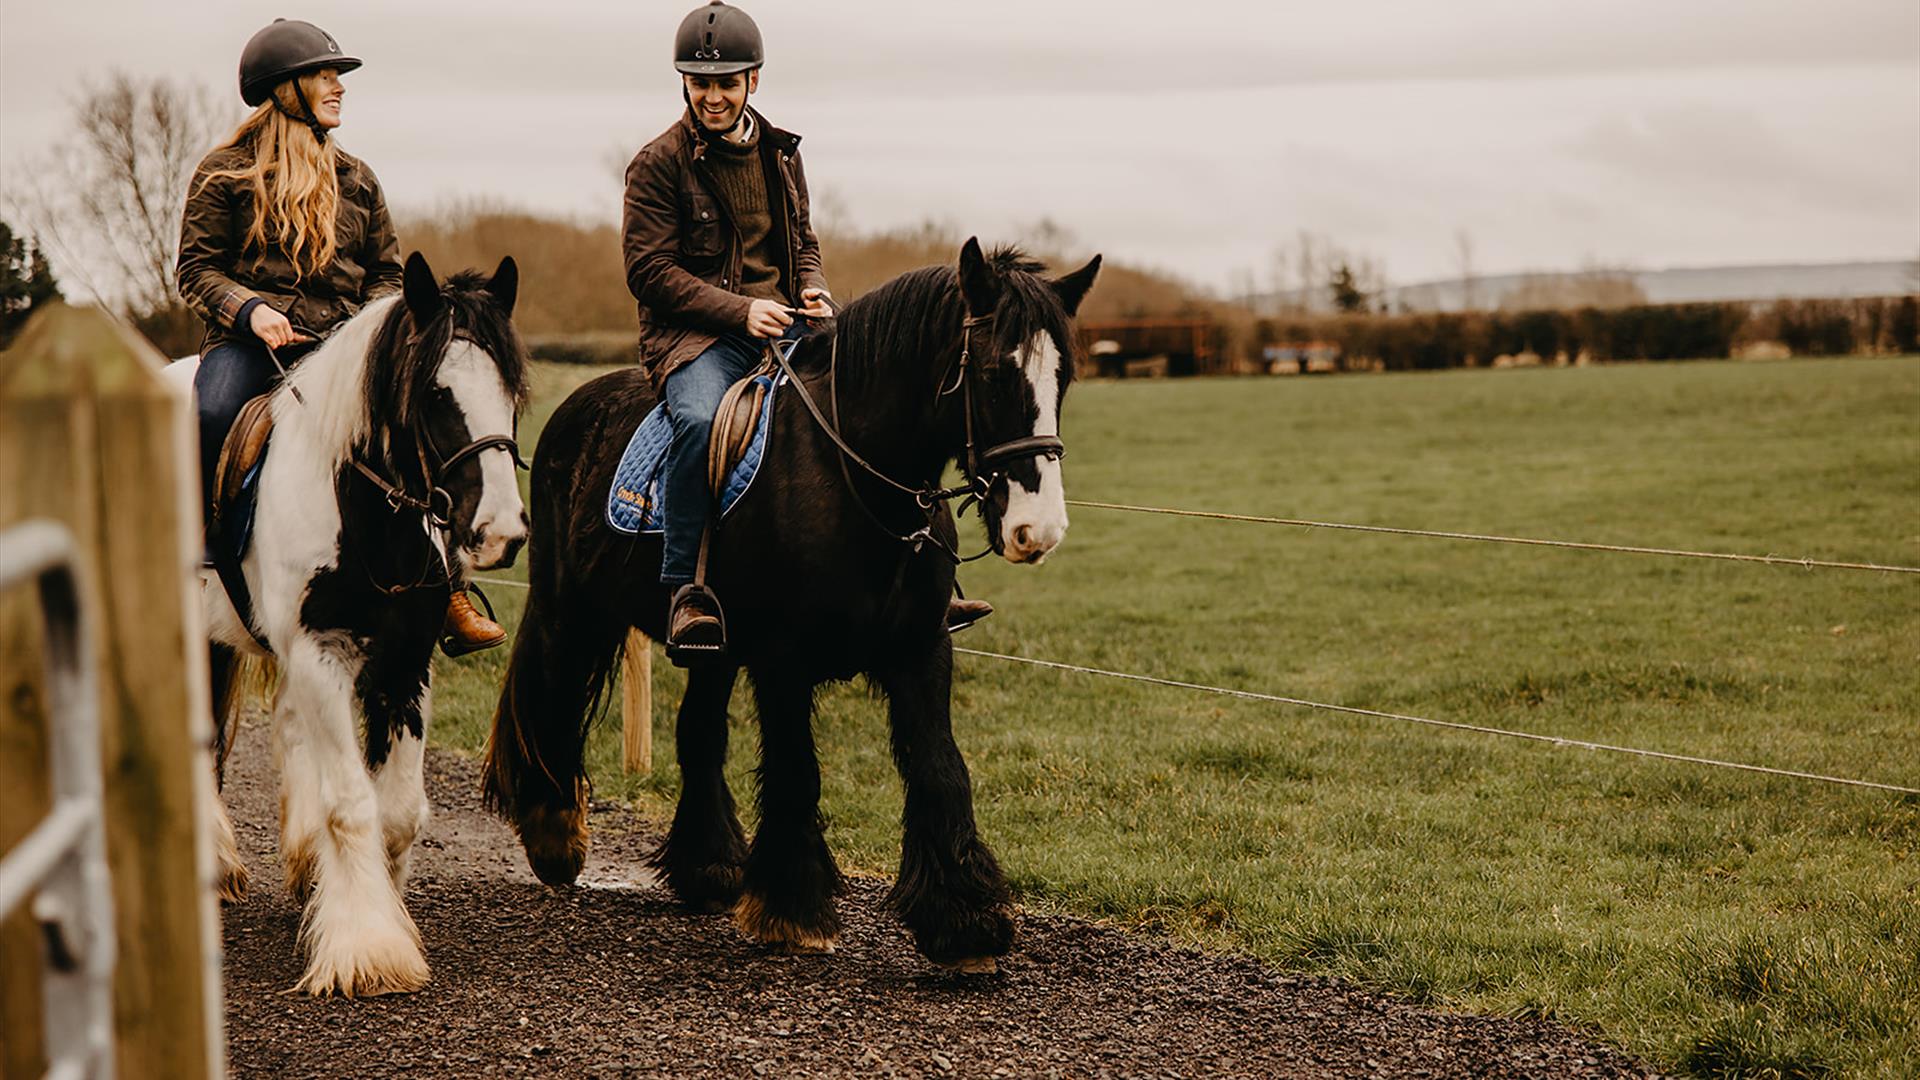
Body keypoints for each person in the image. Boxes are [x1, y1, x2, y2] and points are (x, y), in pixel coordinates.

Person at [625, 1, 991, 656]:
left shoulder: (782, 154)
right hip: (695, 339)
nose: (713, 96)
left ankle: (927, 577)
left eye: (726, 83)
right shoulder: (657, 164)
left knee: (883, 410)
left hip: (790, 326)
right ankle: (687, 587)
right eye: (701, 83)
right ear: (684, 82)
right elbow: (650, 272)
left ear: (753, 81)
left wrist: (814, 287)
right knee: (703, 423)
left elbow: (803, 244)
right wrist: (740, 311)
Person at [177, 17, 505, 655]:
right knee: (211, 409)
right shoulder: (225, 173)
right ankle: (206, 566)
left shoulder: (358, 179)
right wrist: (250, 311)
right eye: (324, 75)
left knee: (417, 436)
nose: (338, 87)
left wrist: (366, 337)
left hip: (339, 354)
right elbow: (197, 269)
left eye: (337, 76)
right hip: (251, 346)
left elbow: (386, 276)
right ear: (284, 89)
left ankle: (449, 587)